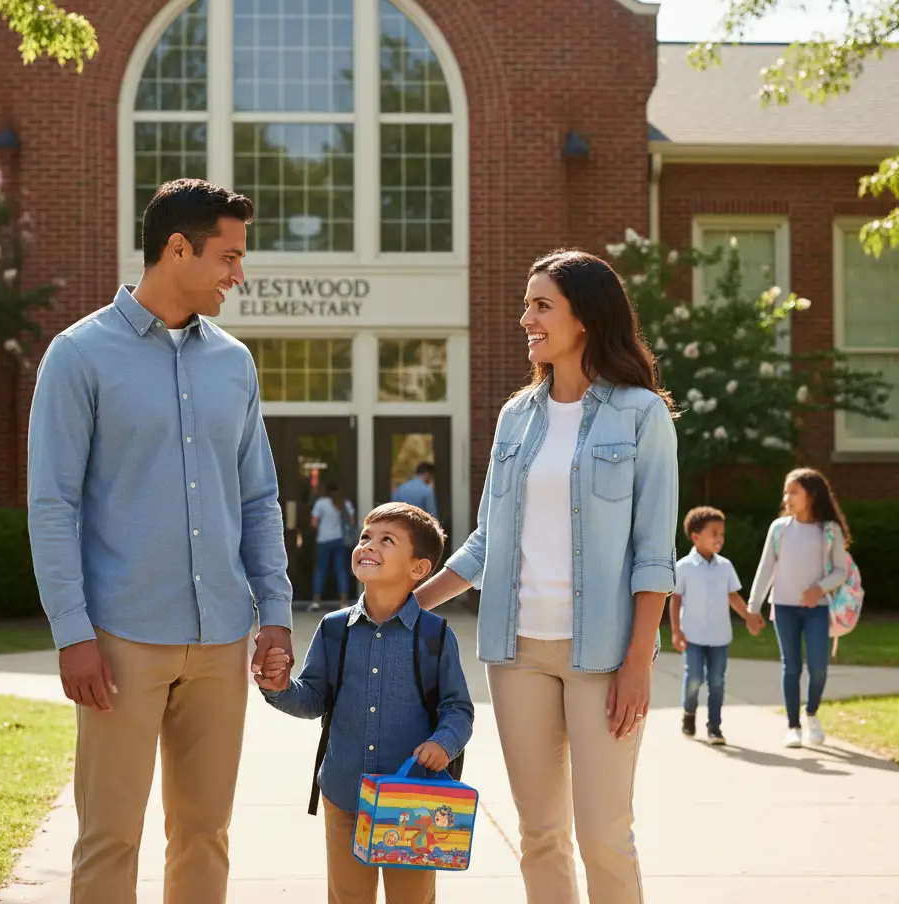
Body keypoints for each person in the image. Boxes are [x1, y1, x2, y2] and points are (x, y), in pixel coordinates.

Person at [27, 178, 293, 904]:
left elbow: (259, 496)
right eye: (229, 257)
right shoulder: (79, 356)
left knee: (205, 833)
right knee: (110, 836)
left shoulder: (233, 363)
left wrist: (274, 612)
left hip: (220, 641)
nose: (239, 275)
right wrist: (72, 632)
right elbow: (53, 505)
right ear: (178, 249)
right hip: (121, 641)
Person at [414, 248, 679, 904]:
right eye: (527, 303)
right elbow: (486, 542)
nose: (524, 317)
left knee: (604, 832)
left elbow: (653, 551)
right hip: (516, 654)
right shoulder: (517, 418)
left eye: (541, 305)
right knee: (540, 832)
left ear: (583, 318)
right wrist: (406, 604)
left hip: (604, 656)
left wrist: (639, 660)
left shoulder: (642, 414)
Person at [257, 502, 473, 904]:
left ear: (419, 569)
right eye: (365, 537)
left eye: (386, 540)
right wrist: (280, 688)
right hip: (344, 793)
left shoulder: (435, 635)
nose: (368, 545)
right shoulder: (334, 629)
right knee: (347, 897)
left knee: (411, 898)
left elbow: (458, 708)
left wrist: (444, 743)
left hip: (413, 802)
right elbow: (314, 699)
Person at [747, 468, 851, 749]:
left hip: (817, 608)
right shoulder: (779, 529)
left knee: (818, 667)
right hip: (784, 608)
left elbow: (841, 571)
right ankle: (793, 726)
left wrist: (820, 587)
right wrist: (753, 608)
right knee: (790, 667)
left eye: (794, 492)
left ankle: (811, 713)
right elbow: (765, 569)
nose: (787, 497)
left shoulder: (829, 531)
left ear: (811, 496)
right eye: (786, 491)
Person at [670, 506, 764, 746]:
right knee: (693, 679)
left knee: (717, 682)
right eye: (714, 533)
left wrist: (749, 616)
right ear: (696, 537)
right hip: (692, 636)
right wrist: (676, 631)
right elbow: (676, 599)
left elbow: (733, 596)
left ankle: (714, 727)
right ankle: (689, 713)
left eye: (722, 534)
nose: (720, 539)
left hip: (720, 637)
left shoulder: (725, 566)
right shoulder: (683, 567)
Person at [309, 483, 356, 611]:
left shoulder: (321, 503)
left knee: (320, 570)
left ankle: (316, 601)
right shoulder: (344, 503)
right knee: (341, 570)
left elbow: (314, 523)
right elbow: (351, 522)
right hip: (339, 539)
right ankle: (343, 602)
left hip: (323, 540)